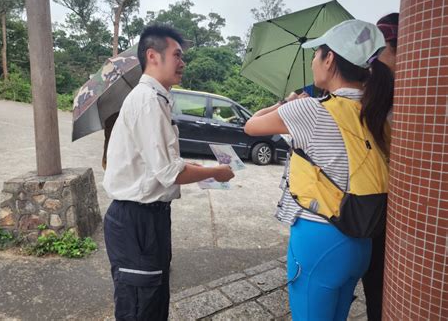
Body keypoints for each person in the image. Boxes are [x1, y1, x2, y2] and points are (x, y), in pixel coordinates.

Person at [244, 19, 394, 320]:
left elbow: (251, 125)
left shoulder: (310, 110)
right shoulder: (374, 113)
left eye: (316, 54)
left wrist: (287, 103)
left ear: (330, 59)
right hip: (360, 243)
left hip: (319, 239)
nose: (313, 61)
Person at [102, 24, 234, 320]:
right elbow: (169, 172)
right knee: (140, 305)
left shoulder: (157, 100)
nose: (183, 62)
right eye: (177, 55)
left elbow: (163, 162)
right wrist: (215, 172)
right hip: (137, 221)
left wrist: (204, 170)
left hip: (150, 218)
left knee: (154, 299)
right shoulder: (147, 100)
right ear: (153, 56)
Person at [362, 12, 399, 321]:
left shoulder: (416, 97)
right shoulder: (374, 94)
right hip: (377, 208)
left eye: (379, 48)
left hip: (378, 208)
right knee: (375, 283)